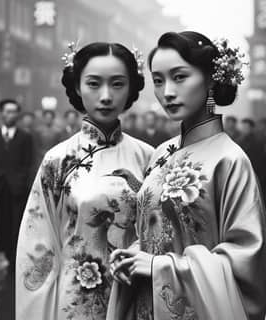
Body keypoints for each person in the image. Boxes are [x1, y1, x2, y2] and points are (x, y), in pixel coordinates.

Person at [108, 31, 266, 320]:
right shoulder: (161, 153)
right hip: (145, 304)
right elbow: (154, 225)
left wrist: (160, 267)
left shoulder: (229, 160)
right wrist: (133, 253)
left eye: (179, 77)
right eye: (158, 80)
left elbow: (246, 263)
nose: (167, 91)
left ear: (209, 80)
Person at [16, 42, 154, 320]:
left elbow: (158, 232)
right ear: (77, 87)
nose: (105, 96)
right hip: (76, 298)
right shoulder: (58, 160)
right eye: (93, 84)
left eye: (117, 84)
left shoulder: (149, 157)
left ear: (131, 89)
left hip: (135, 293)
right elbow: (38, 247)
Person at [0, 99, 33, 271]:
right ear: (1, 113)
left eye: (13, 111)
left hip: (17, 187)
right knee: (2, 221)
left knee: (17, 223)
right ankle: (6, 252)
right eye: (7, 111)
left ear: (17, 115)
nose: (10, 114)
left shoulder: (25, 137)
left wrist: (22, 182)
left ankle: (15, 255)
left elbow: (28, 162)